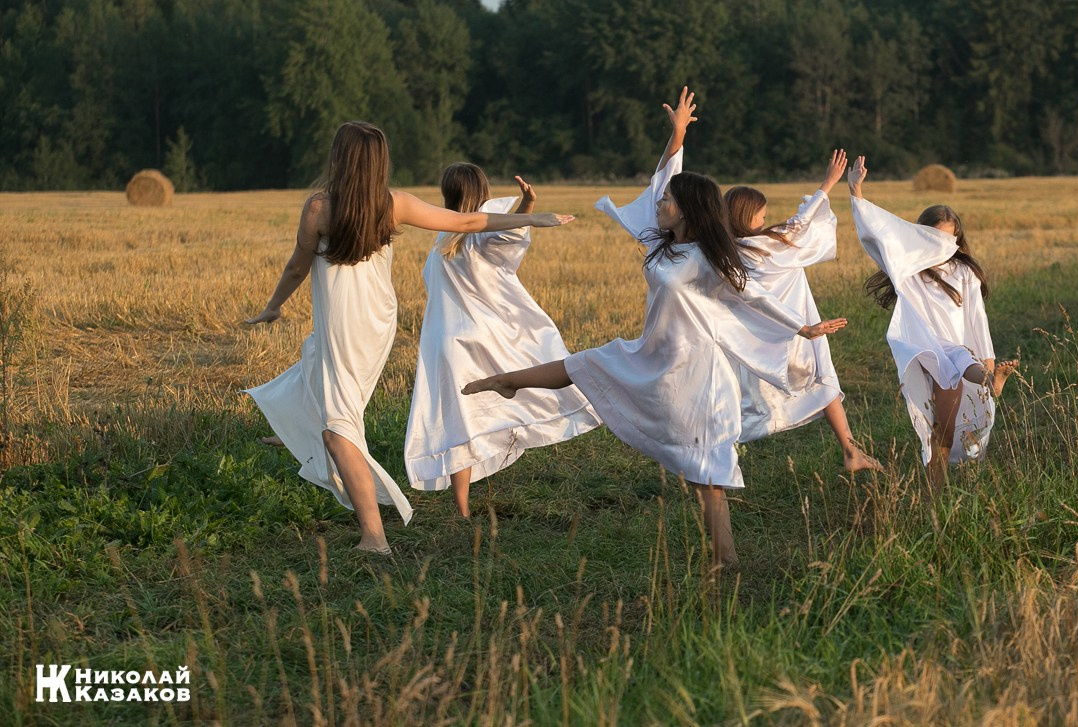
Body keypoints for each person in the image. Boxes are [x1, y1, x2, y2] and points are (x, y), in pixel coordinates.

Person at [462, 89, 846, 568]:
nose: (660, 202)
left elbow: (753, 295)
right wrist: (678, 133)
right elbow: (664, 175)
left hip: (696, 371)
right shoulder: (660, 243)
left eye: (668, 201)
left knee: (707, 472)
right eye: (663, 199)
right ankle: (508, 382)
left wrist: (803, 326)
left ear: (687, 210)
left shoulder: (709, 256)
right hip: (654, 354)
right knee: (588, 363)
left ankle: (724, 561)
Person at [244, 121, 573, 555]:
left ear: (338, 159)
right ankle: (298, 428)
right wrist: (530, 215)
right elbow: (469, 220)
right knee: (315, 362)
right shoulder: (393, 204)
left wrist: (273, 305)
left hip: (345, 321)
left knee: (339, 428)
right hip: (377, 321)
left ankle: (374, 537)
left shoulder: (319, 208)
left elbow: (296, 267)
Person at [402, 164, 600, 517]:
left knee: (460, 419)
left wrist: (523, 210)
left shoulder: (442, 241)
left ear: (446, 193)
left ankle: (461, 508)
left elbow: (507, 233)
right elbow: (511, 236)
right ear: (484, 190)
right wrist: (527, 206)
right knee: (515, 390)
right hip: (483, 336)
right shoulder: (479, 231)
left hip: (446, 343)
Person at [847, 155, 1018, 487]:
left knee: (946, 423)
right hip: (924, 350)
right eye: (934, 239)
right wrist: (856, 192)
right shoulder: (907, 270)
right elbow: (876, 238)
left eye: (949, 240)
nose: (942, 248)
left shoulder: (965, 272)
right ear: (920, 237)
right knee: (940, 418)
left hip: (955, 354)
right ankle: (935, 496)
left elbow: (977, 320)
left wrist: (990, 361)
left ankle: (989, 380)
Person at [724, 150, 881, 474]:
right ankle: (849, 451)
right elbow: (800, 224)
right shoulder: (767, 246)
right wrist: (829, 183)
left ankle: (851, 451)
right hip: (800, 329)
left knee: (815, 380)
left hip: (766, 335)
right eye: (761, 216)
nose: (766, 220)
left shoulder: (732, 251)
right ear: (745, 216)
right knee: (823, 377)